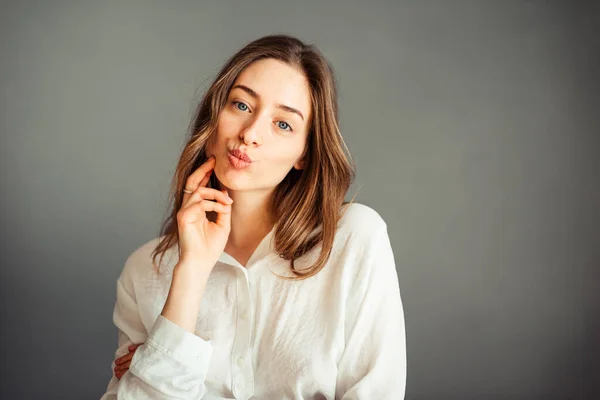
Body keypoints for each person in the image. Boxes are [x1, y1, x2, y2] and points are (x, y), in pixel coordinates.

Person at [100, 34, 406, 400]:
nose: (250, 134)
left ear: (303, 155)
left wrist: (152, 361)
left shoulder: (354, 239)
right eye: (242, 105)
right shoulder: (144, 271)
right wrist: (192, 273)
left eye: (283, 124)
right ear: (213, 119)